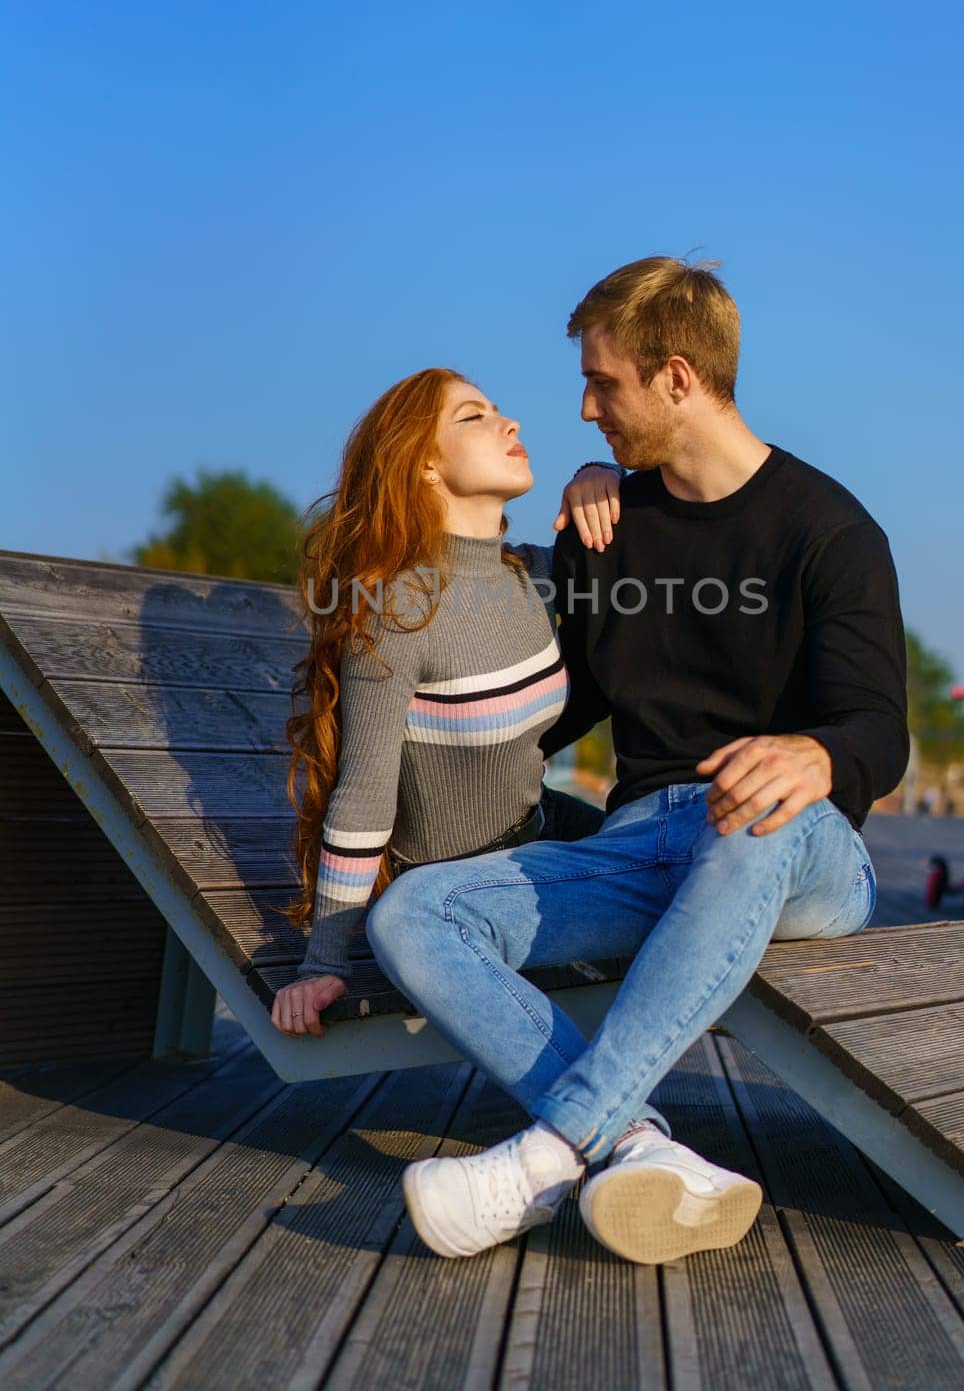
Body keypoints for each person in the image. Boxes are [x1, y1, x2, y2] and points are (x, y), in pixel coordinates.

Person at [364, 256, 909, 1267]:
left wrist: (814, 752)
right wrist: (395, 730)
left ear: (674, 378)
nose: (582, 408)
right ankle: (633, 1145)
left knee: (751, 816)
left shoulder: (830, 533)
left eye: (601, 382)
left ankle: (539, 1159)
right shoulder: (605, 527)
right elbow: (555, 705)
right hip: (641, 846)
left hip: (797, 852)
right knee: (415, 914)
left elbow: (879, 728)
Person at [271, 366, 630, 1050]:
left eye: (498, 409)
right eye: (474, 416)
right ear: (425, 466)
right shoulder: (397, 611)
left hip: (548, 842)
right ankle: (610, 1127)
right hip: (451, 893)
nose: (508, 423)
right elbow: (365, 794)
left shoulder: (532, 575)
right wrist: (322, 963)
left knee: (705, 869)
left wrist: (597, 471)